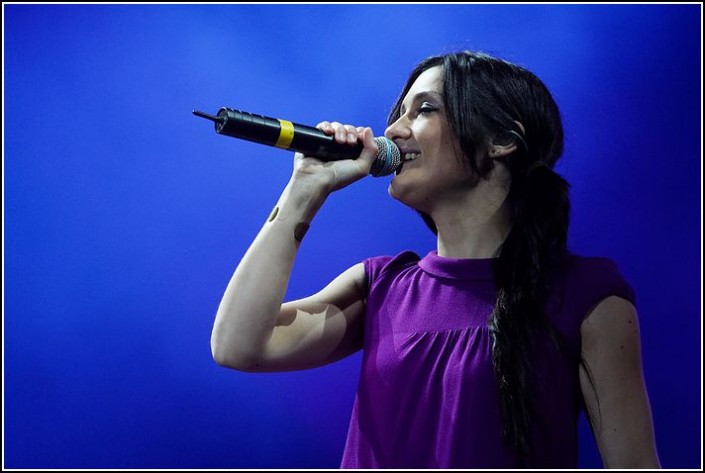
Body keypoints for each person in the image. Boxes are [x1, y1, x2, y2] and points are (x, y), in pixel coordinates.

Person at [210, 50, 661, 469]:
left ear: (502, 141)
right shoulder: (381, 286)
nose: (392, 131)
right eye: (399, 113)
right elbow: (237, 346)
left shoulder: (586, 296)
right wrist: (305, 188)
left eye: (423, 109)